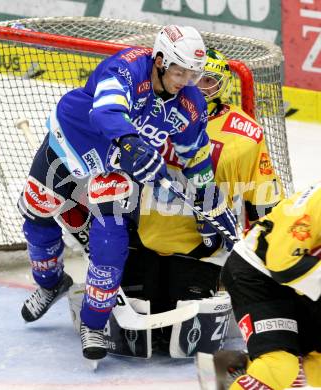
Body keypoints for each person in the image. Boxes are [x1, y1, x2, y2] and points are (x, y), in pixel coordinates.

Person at [17, 25, 237, 361]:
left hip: (114, 169)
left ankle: (94, 322)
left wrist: (209, 202)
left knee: (111, 242)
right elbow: (106, 111)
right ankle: (50, 283)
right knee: (37, 215)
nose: (185, 82)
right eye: (179, 72)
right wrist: (131, 142)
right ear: (160, 59)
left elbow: (196, 155)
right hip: (72, 145)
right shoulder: (126, 67)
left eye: (193, 75)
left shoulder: (190, 104)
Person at [120, 48, 284, 355]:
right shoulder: (148, 109)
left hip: (204, 250)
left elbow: (264, 201)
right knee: (135, 343)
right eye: (190, 77)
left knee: (183, 347)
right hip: (143, 237)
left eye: (206, 80)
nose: (195, 86)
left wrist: (268, 263)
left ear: (222, 84)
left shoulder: (244, 135)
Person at [221, 181, 321, 389]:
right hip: (256, 274)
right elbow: (283, 264)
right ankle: (267, 363)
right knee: (280, 367)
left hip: (298, 282)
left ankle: (245, 366)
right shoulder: (317, 204)